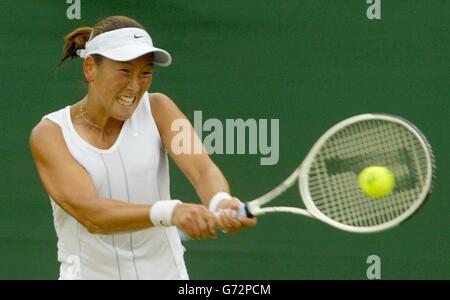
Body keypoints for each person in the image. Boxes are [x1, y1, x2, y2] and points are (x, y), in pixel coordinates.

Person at [29, 15, 256, 280]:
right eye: (124, 71)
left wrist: (220, 201)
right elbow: (92, 214)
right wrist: (171, 212)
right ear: (90, 68)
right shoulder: (50, 134)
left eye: (145, 72)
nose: (135, 85)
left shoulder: (160, 109)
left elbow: (202, 169)